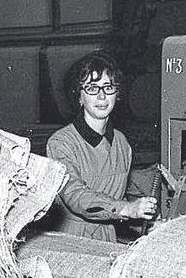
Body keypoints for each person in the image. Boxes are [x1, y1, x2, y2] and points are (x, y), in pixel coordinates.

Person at [45, 51, 156, 242]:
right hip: (71, 239)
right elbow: (75, 196)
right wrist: (127, 209)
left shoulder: (122, 143)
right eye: (92, 88)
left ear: (117, 94)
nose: (102, 96)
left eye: (108, 87)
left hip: (107, 238)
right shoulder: (61, 143)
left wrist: (149, 223)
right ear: (79, 97)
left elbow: (119, 202)